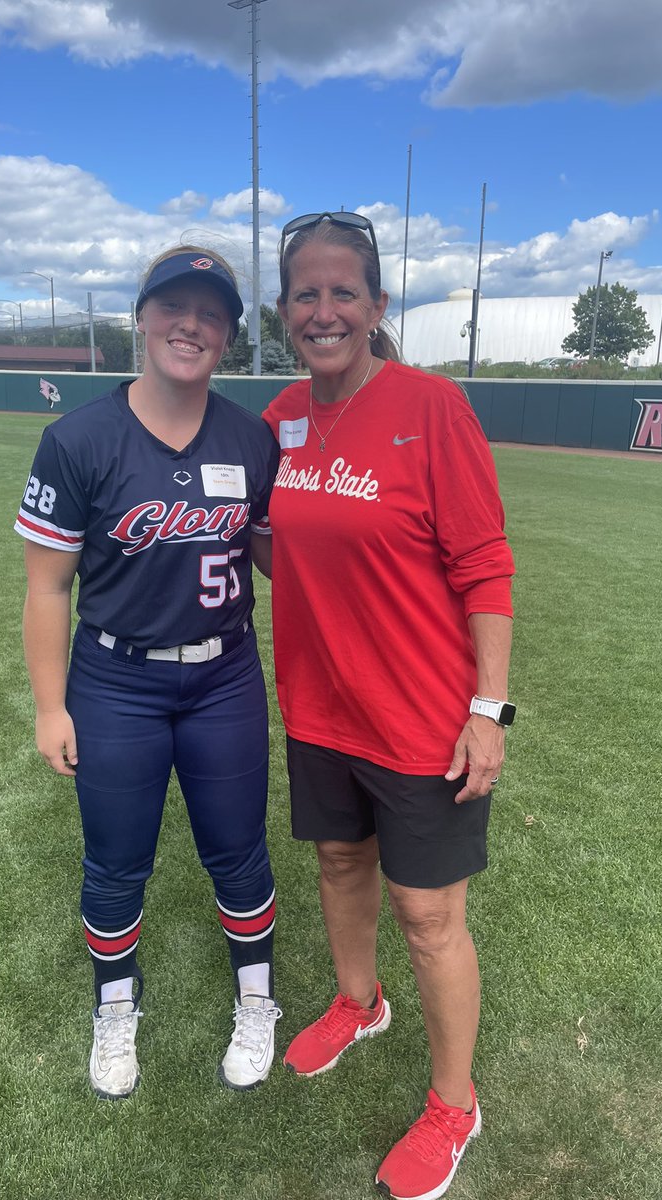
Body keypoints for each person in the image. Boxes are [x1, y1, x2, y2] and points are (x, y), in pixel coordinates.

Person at [261, 212, 515, 1200]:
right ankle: (359, 1004)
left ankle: (455, 1100)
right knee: (336, 860)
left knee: (430, 915)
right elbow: (278, 539)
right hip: (321, 708)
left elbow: (485, 563)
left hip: (420, 718)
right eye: (305, 294)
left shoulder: (432, 406)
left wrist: (487, 708)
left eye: (342, 292)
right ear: (284, 310)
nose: (323, 310)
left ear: (376, 304)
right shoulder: (282, 415)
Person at [15, 245, 282, 1099]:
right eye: (175, 307)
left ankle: (257, 1001)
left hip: (224, 676)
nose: (191, 326)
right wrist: (50, 707)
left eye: (211, 313)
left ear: (230, 336)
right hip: (116, 682)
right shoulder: (78, 438)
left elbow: (292, 561)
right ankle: (116, 1011)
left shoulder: (251, 438)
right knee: (115, 864)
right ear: (141, 316)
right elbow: (49, 586)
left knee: (238, 853)